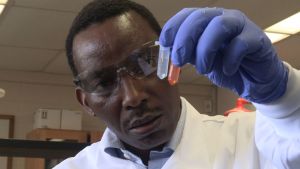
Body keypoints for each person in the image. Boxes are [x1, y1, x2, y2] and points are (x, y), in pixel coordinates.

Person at [54, 0, 300, 168]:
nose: (132, 97)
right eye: (104, 82)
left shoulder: (256, 140)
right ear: (86, 102)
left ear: (171, 59)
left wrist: (286, 98)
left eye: (144, 62)